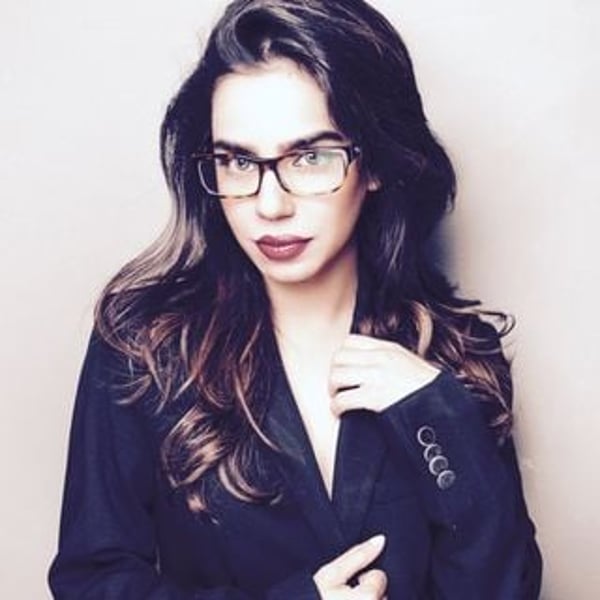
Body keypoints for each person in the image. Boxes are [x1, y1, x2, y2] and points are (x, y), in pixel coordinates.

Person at [48, 0, 543, 598]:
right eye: (237, 161)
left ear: (375, 163)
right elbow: (92, 581)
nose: (270, 205)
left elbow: (503, 589)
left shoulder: (456, 359)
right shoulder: (144, 348)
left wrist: (440, 418)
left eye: (310, 157)